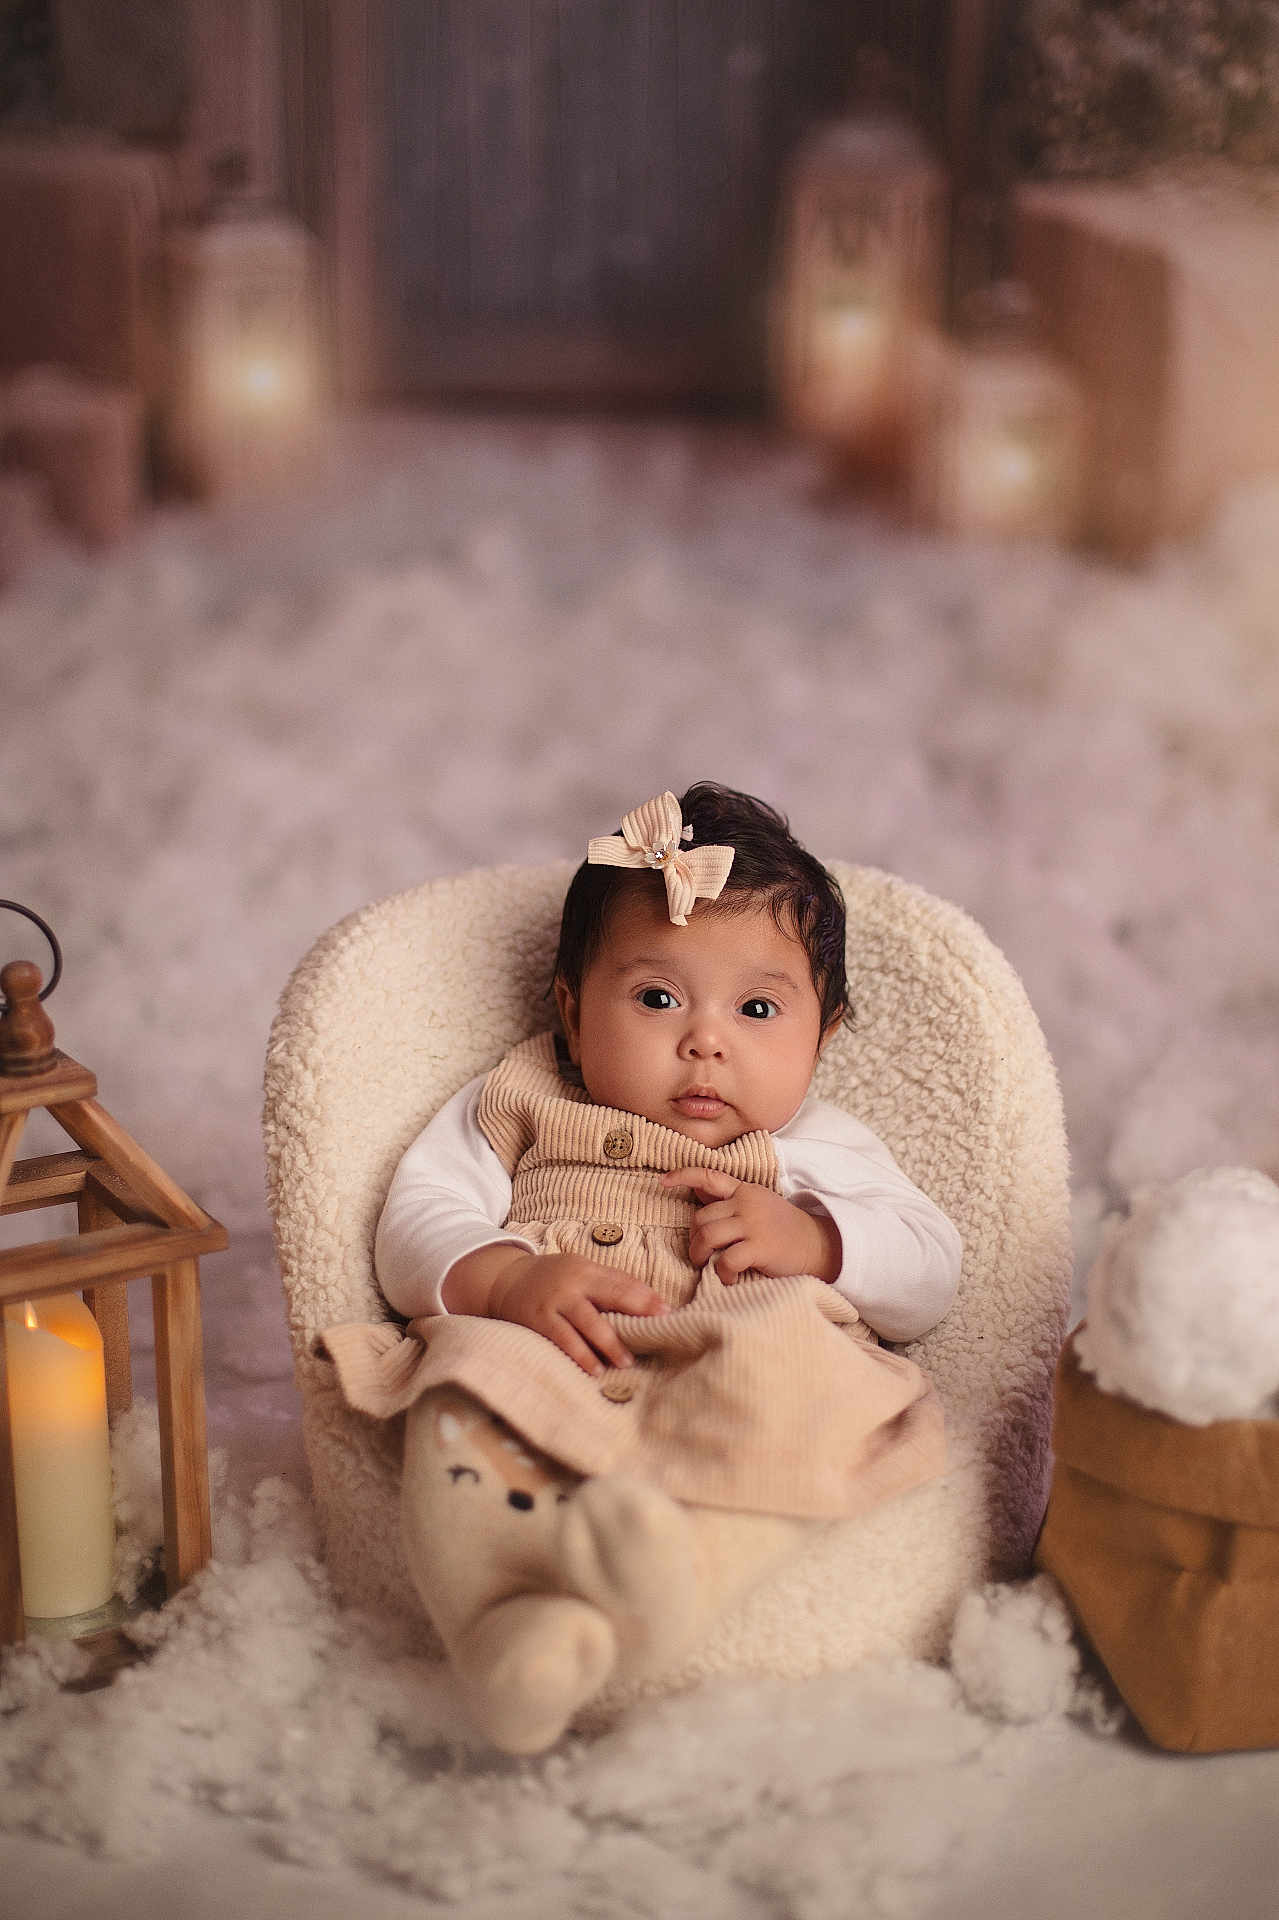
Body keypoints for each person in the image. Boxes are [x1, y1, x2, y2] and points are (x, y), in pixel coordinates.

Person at [324, 784, 961, 1754]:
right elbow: (417, 1216)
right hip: (558, 1344)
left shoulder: (820, 1148)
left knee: (812, 1380)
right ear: (572, 1016)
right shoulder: (522, 1093)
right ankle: (502, 1623)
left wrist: (822, 1243)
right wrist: (501, 1283)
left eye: (756, 1009)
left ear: (820, 1040)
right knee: (458, 1393)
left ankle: (670, 1576)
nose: (705, 1040)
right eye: (657, 997)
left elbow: (930, 1272)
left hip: (730, 1351)